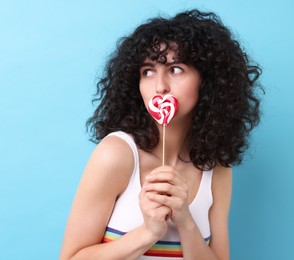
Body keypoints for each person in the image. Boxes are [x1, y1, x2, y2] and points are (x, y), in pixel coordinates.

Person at [60, 9, 262, 260]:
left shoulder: (216, 166)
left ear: (208, 81)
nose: (160, 87)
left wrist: (185, 220)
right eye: (148, 71)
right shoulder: (117, 155)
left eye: (175, 69)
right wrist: (148, 232)